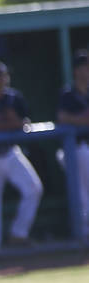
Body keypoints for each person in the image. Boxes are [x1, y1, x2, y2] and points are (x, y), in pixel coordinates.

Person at [0, 60, 42, 248]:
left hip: (11, 152)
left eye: (4, 75)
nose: (2, 79)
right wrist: (5, 124)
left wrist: (5, 124)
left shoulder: (15, 97)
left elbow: (23, 123)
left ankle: (18, 233)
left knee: (34, 188)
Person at [57, 50, 89, 240]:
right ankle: (83, 233)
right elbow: (62, 118)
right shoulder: (68, 94)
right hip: (75, 148)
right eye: (83, 67)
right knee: (82, 194)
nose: (86, 71)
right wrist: (82, 120)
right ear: (76, 71)